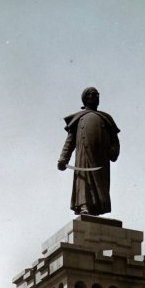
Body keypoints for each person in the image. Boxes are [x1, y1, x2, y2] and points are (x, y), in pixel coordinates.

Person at [57, 87, 120, 215]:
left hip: (101, 159)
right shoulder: (78, 119)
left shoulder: (106, 118)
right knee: (84, 182)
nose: (96, 97)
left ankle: (96, 207)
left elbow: (115, 140)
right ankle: (84, 206)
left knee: (100, 186)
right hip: (84, 156)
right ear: (86, 98)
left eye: (98, 95)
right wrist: (63, 159)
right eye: (93, 94)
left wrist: (113, 151)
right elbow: (69, 142)